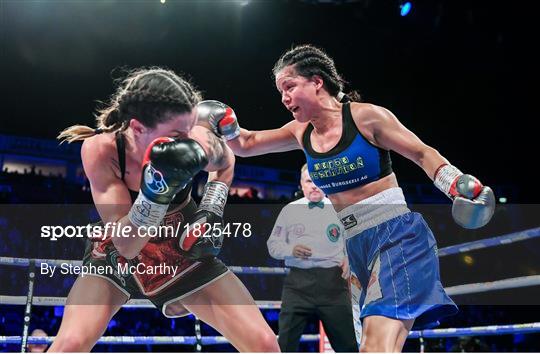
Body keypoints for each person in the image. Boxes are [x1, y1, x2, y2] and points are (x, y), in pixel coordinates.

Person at [199, 45, 496, 352]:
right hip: (355, 245)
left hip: (396, 236)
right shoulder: (300, 132)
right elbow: (246, 144)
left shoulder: (365, 118)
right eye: (280, 91)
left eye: (289, 87)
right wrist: (227, 125)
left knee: (374, 347)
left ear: (316, 82)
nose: (284, 98)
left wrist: (455, 183)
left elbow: (421, 152)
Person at [49, 68, 279, 352]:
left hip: (181, 247)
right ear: (137, 128)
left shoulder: (193, 136)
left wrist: (210, 209)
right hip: (117, 255)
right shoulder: (101, 150)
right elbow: (126, 245)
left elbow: (226, 160)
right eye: (175, 133)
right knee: (69, 344)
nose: (186, 140)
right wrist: (154, 194)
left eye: (188, 129)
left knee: (264, 343)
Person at [267, 164, 358, 352]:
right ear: (301, 184)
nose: (314, 185)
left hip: (333, 283)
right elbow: (272, 246)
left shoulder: (340, 207)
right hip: (298, 284)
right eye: (309, 181)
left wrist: (350, 258)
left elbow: (356, 239)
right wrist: (291, 250)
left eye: (318, 180)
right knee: (284, 345)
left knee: (347, 345)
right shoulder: (289, 210)